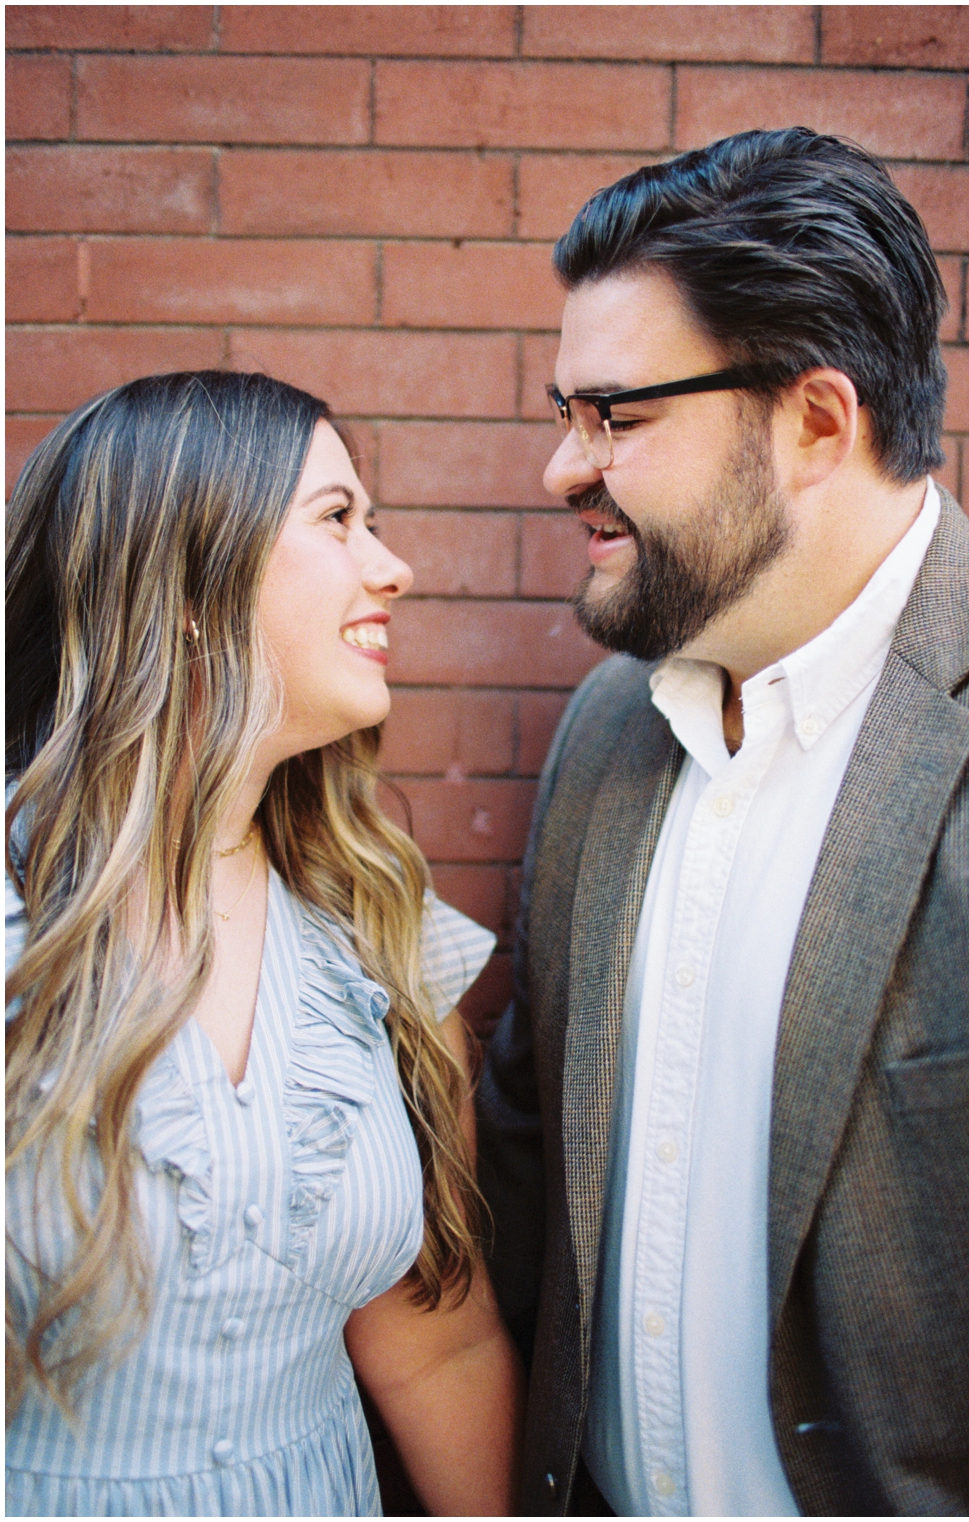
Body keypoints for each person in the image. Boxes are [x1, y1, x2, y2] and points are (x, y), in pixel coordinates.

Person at [477, 128, 969, 1517]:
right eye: (565, 411)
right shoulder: (608, 732)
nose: (560, 467)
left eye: (617, 416)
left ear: (816, 423)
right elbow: (530, 1164)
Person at [6, 370, 524, 1517]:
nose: (393, 566)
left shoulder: (379, 924)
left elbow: (438, 1338)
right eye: (338, 519)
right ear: (192, 576)